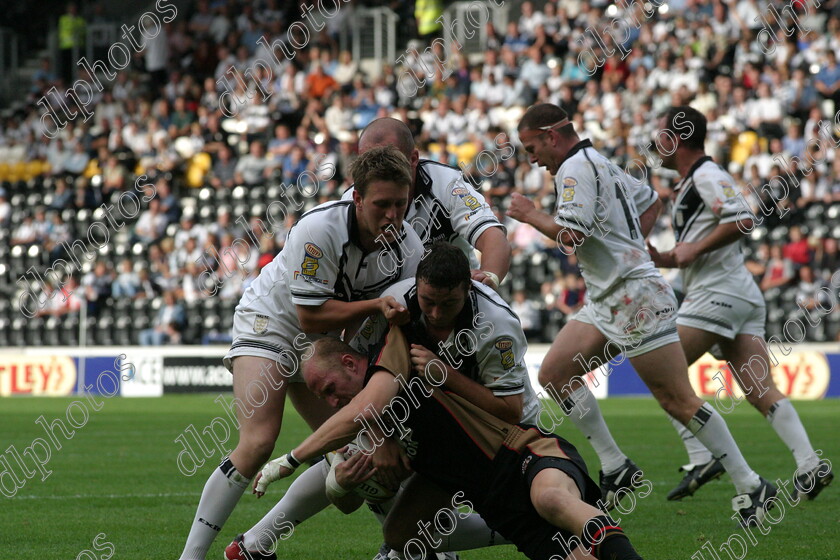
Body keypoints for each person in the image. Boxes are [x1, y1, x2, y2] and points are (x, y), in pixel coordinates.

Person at [506, 103, 775, 527]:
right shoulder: (605, 164)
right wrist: (627, 248)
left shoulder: (576, 170)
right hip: (608, 297)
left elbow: (572, 234)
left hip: (635, 298)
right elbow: (650, 203)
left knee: (677, 400)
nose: (532, 158)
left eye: (532, 147)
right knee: (555, 374)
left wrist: (529, 215)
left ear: (552, 135)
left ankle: (752, 485)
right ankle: (617, 467)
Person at [177, 146, 425, 560]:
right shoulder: (319, 229)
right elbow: (309, 317)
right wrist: (375, 305)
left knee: (355, 449)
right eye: (381, 205)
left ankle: (254, 546)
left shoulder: (409, 246)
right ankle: (191, 557)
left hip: (330, 342)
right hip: (274, 324)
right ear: (358, 199)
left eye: (401, 205)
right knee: (259, 442)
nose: (392, 216)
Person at [225, 242, 535, 560]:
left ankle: (525, 525)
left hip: (492, 427)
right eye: (428, 302)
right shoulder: (392, 309)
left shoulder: (496, 326)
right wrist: (372, 446)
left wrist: (445, 376)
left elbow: (510, 411)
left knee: (419, 520)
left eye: (448, 304)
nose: (436, 314)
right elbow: (347, 499)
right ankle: (256, 544)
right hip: (431, 413)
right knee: (383, 498)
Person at [252, 330, 646, 560]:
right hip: (492, 499)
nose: (331, 402)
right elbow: (349, 502)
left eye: (331, 390)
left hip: (524, 455)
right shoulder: (364, 425)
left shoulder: (393, 366)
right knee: (398, 535)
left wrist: (290, 458)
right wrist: (343, 483)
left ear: (351, 364)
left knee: (552, 502)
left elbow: (363, 407)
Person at [648, 105, 833, 501]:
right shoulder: (691, 181)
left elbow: (744, 220)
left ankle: (702, 457)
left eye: (660, 134)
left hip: (719, 294)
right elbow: (702, 241)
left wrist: (693, 249)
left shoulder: (707, 175)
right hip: (738, 294)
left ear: (677, 138)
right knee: (759, 389)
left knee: (660, 369)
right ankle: (809, 465)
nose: (653, 143)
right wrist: (666, 257)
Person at [343, 117, 511, 291]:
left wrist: (489, 278)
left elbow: (492, 235)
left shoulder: (446, 183)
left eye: (391, 161)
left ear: (414, 159)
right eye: (368, 164)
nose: (379, 172)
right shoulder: (348, 205)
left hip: (452, 298)